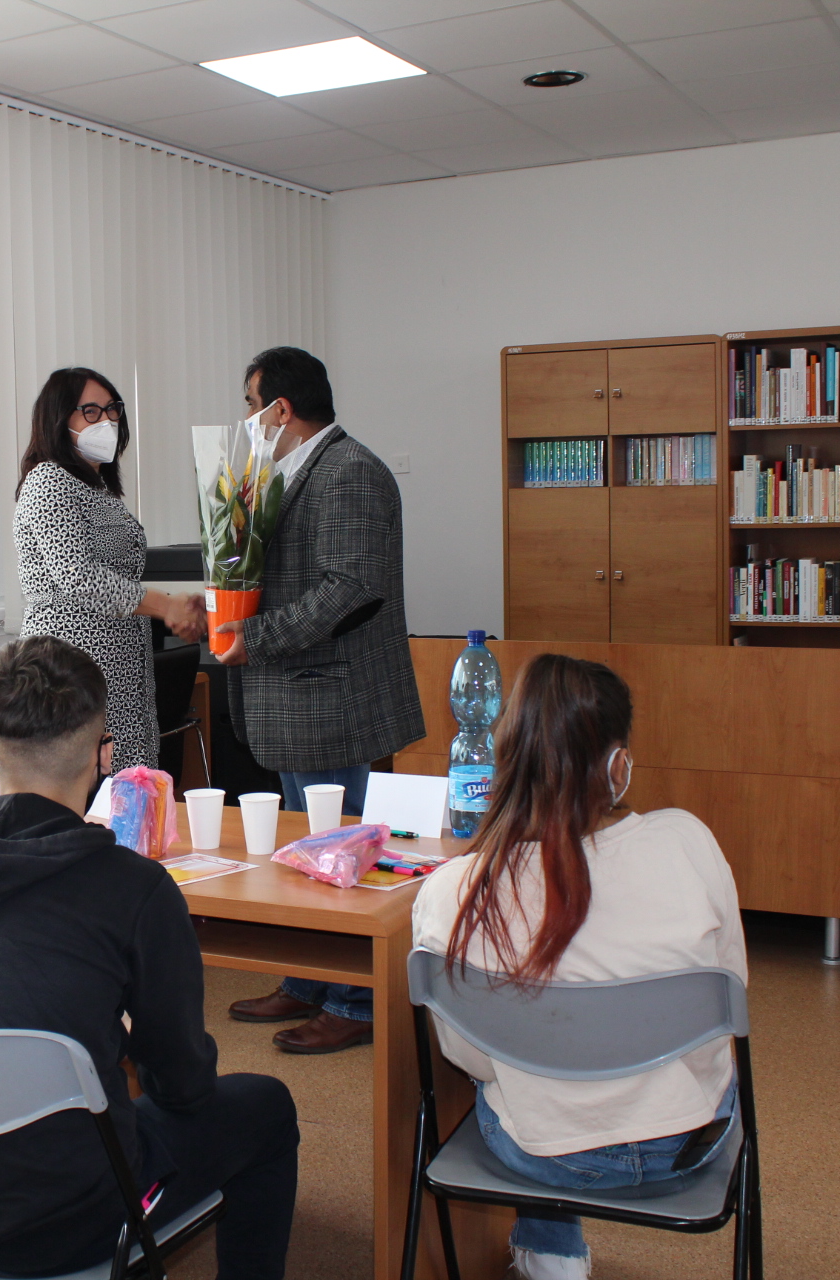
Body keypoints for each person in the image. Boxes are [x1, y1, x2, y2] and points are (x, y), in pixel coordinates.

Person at [0, 636, 299, 1280]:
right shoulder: (134, 888)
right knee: (266, 1106)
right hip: (70, 1225)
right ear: (105, 755)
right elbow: (182, 1084)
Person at [412, 655, 746, 1280]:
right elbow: (730, 998)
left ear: (506, 757)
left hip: (543, 1155)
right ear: (619, 766)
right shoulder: (688, 843)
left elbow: (469, 1055)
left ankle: (551, 1257)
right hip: (689, 1141)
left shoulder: (455, 892)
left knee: (511, 1076)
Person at [218, 347, 424, 1055]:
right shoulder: (292, 472)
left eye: (251, 406)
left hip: (333, 699)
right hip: (298, 699)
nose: (247, 421)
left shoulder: (348, 471)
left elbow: (348, 589)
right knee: (306, 854)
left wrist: (254, 638)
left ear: (281, 410)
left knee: (344, 857)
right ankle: (308, 982)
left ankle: (354, 1001)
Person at [14, 366, 205, 772]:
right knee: (82, 790)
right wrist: (165, 605)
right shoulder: (48, 480)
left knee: (129, 792)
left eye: (113, 409)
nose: (107, 421)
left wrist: (179, 606)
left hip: (122, 666)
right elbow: (76, 575)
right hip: (71, 668)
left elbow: (118, 577)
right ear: (58, 419)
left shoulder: (98, 488)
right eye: (91, 411)